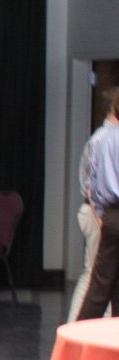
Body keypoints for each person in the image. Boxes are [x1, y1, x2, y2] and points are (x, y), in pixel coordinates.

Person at [71, 89, 119, 321]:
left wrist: (102, 213)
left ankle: (86, 336)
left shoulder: (106, 138)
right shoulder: (105, 138)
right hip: (104, 212)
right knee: (96, 277)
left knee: (102, 281)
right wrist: (100, 214)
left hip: (106, 212)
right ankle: (78, 332)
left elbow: (95, 183)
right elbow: (92, 183)